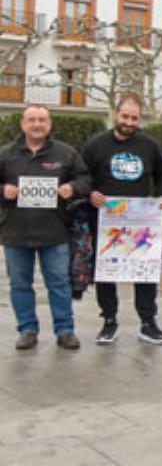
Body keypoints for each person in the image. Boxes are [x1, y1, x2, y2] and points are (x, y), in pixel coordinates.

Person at [81, 94, 162, 345]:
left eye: (134, 118)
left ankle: (148, 322)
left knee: (144, 273)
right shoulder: (96, 145)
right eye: (125, 117)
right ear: (115, 114)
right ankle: (109, 321)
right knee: (106, 272)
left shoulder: (150, 146)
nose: (129, 122)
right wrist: (90, 193)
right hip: (106, 221)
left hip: (141, 222)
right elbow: (82, 176)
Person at [0, 105, 90, 350]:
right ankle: (27, 329)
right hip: (15, 232)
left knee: (59, 284)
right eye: (32, 120)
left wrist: (73, 188)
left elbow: (85, 179)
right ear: (22, 124)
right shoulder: (6, 154)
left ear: (49, 124)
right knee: (20, 284)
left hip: (55, 231)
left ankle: (65, 330)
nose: (37, 124)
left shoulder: (65, 153)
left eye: (41, 120)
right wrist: (3, 192)